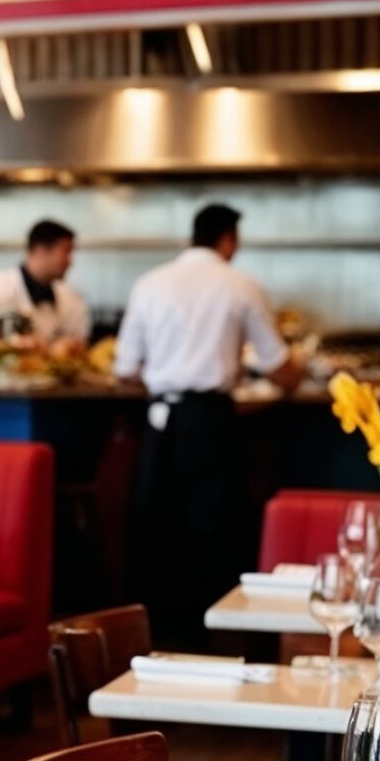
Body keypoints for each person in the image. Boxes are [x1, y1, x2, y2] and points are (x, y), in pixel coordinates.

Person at [115, 203, 303, 643]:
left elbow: (125, 368)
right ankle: (219, 635)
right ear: (228, 240)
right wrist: (297, 375)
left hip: (161, 421)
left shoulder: (149, 283)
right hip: (211, 420)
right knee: (216, 530)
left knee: (159, 531)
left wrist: (168, 373)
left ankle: (163, 639)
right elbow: (279, 366)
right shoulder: (241, 284)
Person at [0, 219, 91, 348]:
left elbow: (80, 342)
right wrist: (18, 345)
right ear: (40, 251)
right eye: (66, 252)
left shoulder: (70, 297)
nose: (70, 261)